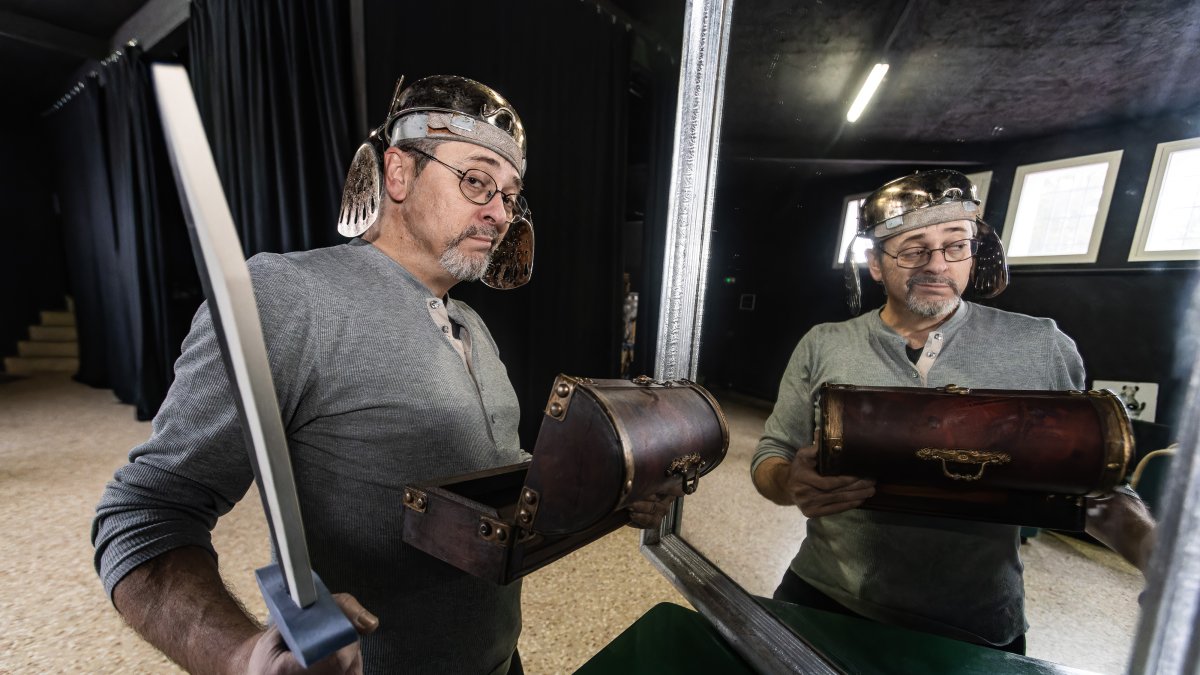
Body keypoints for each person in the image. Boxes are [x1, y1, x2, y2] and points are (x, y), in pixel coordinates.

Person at [92, 75, 677, 675]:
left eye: (510, 195)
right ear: (397, 173)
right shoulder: (287, 296)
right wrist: (242, 656)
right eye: (477, 180)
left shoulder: (473, 324)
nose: (500, 213)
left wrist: (607, 497)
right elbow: (145, 514)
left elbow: (498, 499)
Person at [750, 170, 1155, 654]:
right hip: (825, 597)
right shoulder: (824, 344)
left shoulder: (1040, 345)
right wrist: (791, 482)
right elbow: (772, 455)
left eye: (955, 245)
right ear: (876, 264)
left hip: (974, 624)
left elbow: (1093, 487)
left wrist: (1159, 558)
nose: (936, 265)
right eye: (913, 248)